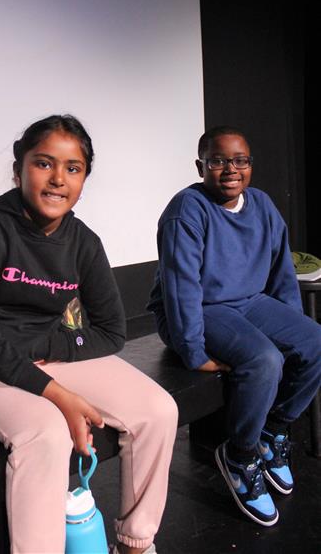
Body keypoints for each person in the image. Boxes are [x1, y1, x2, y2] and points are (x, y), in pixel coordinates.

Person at [0, 115, 178, 554]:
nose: (58, 179)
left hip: (45, 355)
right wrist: (59, 395)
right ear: (19, 170)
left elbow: (112, 332)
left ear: (85, 179)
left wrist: (47, 350)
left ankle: (136, 543)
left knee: (159, 411)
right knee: (47, 434)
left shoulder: (83, 242)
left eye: (73, 169)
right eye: (44, 164)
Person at [148, 125, 321, 527]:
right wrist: (192, 351)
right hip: (200, 307)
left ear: (250, 166)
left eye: (240, 160)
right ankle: (240, 455)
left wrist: (292, 326)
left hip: (249, 302)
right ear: (201, 166)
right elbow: (180, 286)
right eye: (219, 160)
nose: (231, 169)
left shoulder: (261, 204)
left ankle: (272, 431)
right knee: (263, 360)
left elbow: (281, 273)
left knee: (314, 342)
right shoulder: (186, 209)